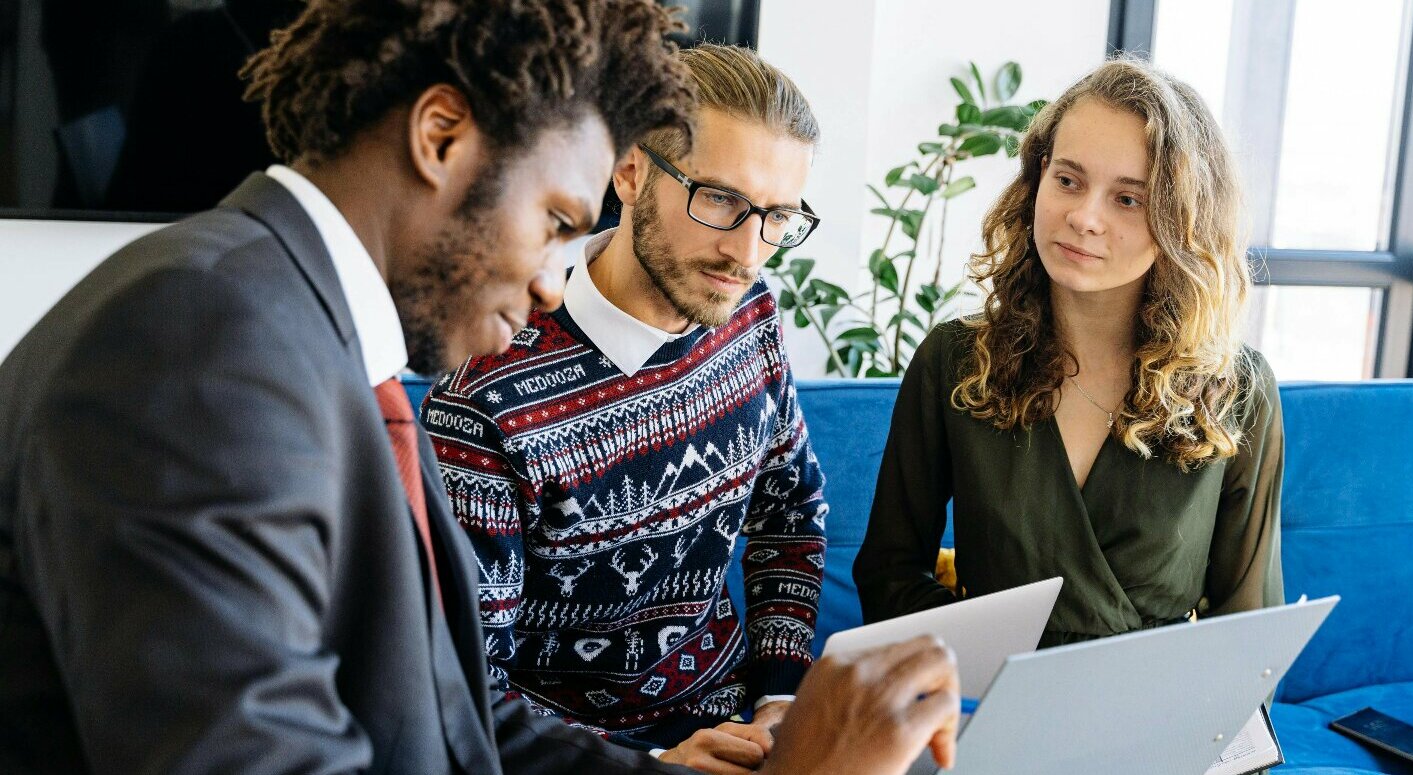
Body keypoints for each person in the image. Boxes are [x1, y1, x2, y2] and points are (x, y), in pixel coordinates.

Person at [0, 2, 961, 773]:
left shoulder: (286, 325)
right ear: (442, 135)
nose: (554, 279)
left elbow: (460, 716)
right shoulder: (200, 345)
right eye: (553, 219)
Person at [422, 44, 826, 774]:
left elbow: (791, 511)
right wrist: (657, 764)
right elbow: (465, 686)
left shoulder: (751, 313)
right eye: (721, 200)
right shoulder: (488, 399)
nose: (747, 250)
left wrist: (781, 698)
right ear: (632, 171)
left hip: (741, 732)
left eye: (778, 218)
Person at [854, 58, 1285, 652]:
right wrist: (990, 671)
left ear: (1184, 222)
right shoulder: (953, 362)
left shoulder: (1236, 388)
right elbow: (889, 578)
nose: (1084, 217)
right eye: (1068, 180)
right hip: (990, 705)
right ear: (1037, 180)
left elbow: (1247, 627)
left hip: (1158, 721)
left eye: (1129, 199)